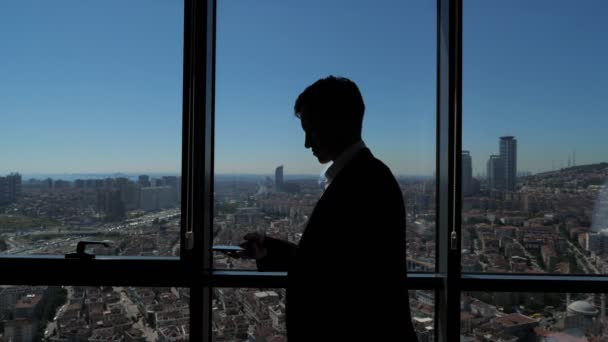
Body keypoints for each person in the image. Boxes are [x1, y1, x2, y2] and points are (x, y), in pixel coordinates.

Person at [238, 76, 418, 341]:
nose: (307, 143)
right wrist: (269, 249)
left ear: (336, 123)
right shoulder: (364, 177)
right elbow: (330, 263)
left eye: (310, 129)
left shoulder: (365, 182)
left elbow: (344, 280)